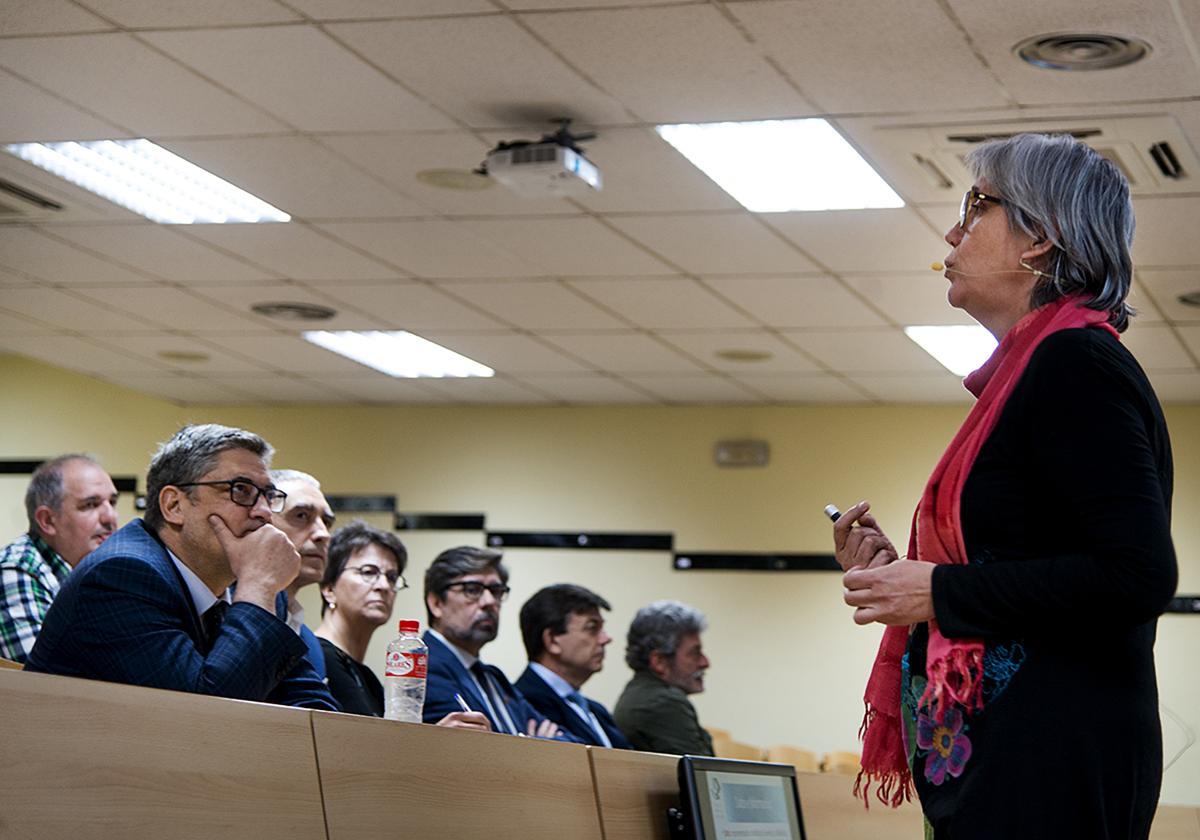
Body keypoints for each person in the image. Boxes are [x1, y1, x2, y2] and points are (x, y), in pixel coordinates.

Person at [833, 133, 1177, 839]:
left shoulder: (1074, 363)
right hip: (1021, 754)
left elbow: (1138, 575)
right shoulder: (1040, 368)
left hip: (1053, 759)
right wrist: (907, 580)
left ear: (1040, 239)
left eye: (976, 206)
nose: (953, 233)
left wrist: (941, 592)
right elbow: (1020, 564)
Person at [26, 424, 336, 709]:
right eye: (241, 490)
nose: (265, 513)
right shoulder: (122, 576)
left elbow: (310, 704)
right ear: (174, 506)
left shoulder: (252, 587)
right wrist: (259, 587)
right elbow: (205, 716)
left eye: (268, 496)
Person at [314, 521, 489, 730]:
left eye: (392, 577)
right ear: (328, 587)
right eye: (368, 572)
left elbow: (384, 750)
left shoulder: (366, 676)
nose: (383, 586)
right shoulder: (318, 658)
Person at [422, 545, 571, 740]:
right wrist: (531, 743)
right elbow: (472, 749)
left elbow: (565, 740)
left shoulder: (492, 677)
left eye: (496, 591)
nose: (489, 601)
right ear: (436, 603)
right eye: (472, 590)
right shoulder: (422, 667)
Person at [1, 455, 119, 662]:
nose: (110, 517)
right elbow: (39, 680)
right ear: (47, 521)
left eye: (112, 502)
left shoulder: (98, 573)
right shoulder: (17, 569)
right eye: (91, 504)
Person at [514, 584, 631, 748]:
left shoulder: (596, 710)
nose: (606, 639)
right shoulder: (522, 703)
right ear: (553, 640)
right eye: (592, 628)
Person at [613, 600, 713, 755]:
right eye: (694, 653)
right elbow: (703, 775)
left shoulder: (640, 693)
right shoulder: (664, 702)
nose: (705, 663)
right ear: (659, 661)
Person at [269, 469, 335, 680]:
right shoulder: (222, 615)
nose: (323, 534)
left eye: (327, 522)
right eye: (301, 516)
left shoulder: (310, 642)